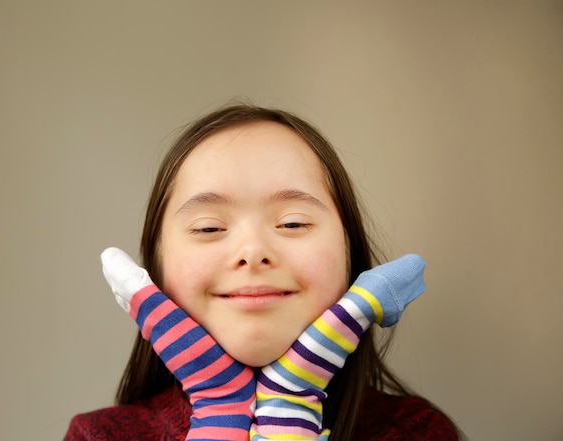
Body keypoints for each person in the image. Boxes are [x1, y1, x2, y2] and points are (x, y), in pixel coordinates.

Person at [64, 103, 461, 440]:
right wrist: (218, 406)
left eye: (292, 223)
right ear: (155, 269)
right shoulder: (100, 436)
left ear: (349, 253)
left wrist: (293, 404)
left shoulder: (416, 432)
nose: (253, 253)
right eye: (208, 228)